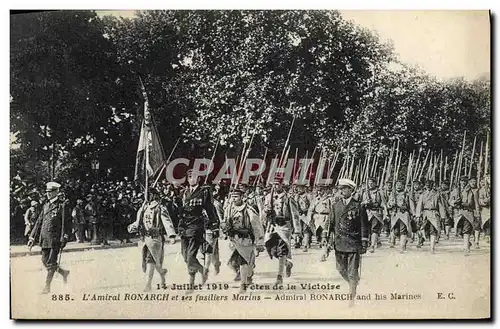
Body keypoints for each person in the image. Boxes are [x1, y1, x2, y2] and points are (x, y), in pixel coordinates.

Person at [326, 178, 368, 307]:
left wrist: (364, 242)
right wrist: (327, 239)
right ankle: (353, 282)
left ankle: (352, 295)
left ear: (351, 190)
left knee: (352, 272)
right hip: (339, 243)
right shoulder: (335, 205)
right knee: (340, 269)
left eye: (344, 188)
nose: (341, 191)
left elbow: (364, 226)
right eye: (340, 189)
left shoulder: (358, 206)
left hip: (353, 243)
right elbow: (330, 223)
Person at [177, 170, 220, 294]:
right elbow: (180, 212)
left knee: (191, 256)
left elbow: (210, 209)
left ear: (198, 179)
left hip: (197, 226)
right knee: (185, 256)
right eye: (189, 177)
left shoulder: (203, 192)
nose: (192, 179)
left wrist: (214, 226)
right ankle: (203, 271)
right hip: (184, 227)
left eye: (194, 177)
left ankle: (191, 284)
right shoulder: (183, 193)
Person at [27, 182, 71, 294]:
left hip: (55, 239)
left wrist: (64, 237)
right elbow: (39, 222)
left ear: (56, 192)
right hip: (45, 238)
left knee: (51, 263)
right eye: (47, 192)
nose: (48, 194)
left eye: (50, 192)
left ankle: (47, 286)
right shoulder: (46, 205)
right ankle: (63, 272)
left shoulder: (62, 205)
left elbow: (66, 224)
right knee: (44, 260)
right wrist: (32, 238)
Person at [223, 186, 265, 293]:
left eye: (236, 196)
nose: (234, 199)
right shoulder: (229, 209)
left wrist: (260, 242)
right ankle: (245, 278)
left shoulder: (249, 210)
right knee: (234, 263)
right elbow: (225, 222)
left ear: (242, 197)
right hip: (234, 240)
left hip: (246, 240)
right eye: (232, 197)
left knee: (245, 263)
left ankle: (244, 283)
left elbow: (257, 226)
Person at [128, 188, 169, 291]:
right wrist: (132, 227)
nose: (146, 196)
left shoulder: (159, 208)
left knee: (150, 261)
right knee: (155, 262)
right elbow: (138, 222)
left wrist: (171, 234)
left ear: (154, 195)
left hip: (155, 238)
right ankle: (162, 276)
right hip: (145, 239)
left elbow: (166, 221)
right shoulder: (143, 208)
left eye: (149, 194)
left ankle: (148, 284)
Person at [263, 176, 300, 285]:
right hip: (272, 225)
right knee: (271, 248)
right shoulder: (268, 197)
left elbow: (295, 214)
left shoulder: (288, 198)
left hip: (284, 226)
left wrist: (297, 230)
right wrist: (266, 211)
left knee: (282, 250)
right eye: (274, 184)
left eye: (277, 184)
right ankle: (287, 264)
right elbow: (264, 211)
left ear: (282, 185)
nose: (275, 186)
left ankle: (279, 275)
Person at [449, 176, 480, 255]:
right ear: (459, 181)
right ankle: (467, 243)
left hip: (468, 212)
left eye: (465, 181)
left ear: (467, 182)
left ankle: (466, 248)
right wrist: (454, 202)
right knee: (459, 231)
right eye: (462, 181)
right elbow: (450, 200)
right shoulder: (456, 191)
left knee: (466, 230)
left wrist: (477, 213)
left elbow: (476, 203)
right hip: (458, 213)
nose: (463, 182)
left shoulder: (472, 191)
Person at [415, 180, 447, 254]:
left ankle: (432, 248)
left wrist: (442, 216)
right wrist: (418, 215)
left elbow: (440, 205)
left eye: (429, 184)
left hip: (433, 213)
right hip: (425, 214)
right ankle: (425, 240)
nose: (428, 186)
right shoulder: (422, 194)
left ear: (432, 185)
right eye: (427, 184)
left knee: (433, 230)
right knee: (424, 230)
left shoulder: (436, 194)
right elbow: (419, 205)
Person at [361, 177, 388, 253]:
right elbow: (362, 203)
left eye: (372, 183)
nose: (370, 185)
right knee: (368, 230)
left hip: (376, 213)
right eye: (369, 183)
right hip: (367, 212)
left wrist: (386, 213)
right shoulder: (365, 193)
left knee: (374, 229)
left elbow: (383, 203)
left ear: (375, 183)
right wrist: (366, 202)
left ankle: (372, 246)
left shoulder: (379, 192)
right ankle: (376, 241)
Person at [386, 180, 411, 252]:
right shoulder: (392, 194)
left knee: (403, 230)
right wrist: (391, 204)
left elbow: (410, 204)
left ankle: (402, 246)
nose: (399, 186)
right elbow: (388, 204)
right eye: (397, 185)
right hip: (395, 214)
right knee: (396, 231)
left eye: (400, 185)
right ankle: (402, 241)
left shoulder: (406, 194)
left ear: (403, 186)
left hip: (403, 214)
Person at [478, 176, 491, 244]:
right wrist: (484, 201)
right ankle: (487, 235)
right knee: (486, 222)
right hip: (486, 209)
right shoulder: (482, 190)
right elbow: (480, 200)